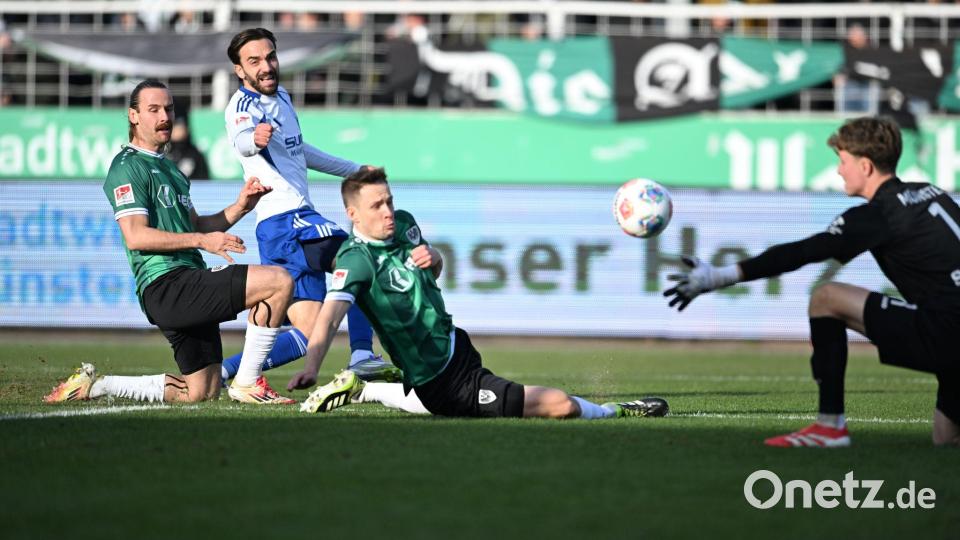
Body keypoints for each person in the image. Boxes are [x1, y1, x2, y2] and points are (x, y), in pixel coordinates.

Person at [664, 116, 960, 448]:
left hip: (948, 331)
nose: (838, 170)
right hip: (951, 330)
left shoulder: (879, 214)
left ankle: (829, 426)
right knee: (946, 442)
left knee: (826, 297)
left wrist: (719, 276)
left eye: (842, 160)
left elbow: (803, 252)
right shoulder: (932, 193)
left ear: (865, 166)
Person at [286, 167, 669, 420]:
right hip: (444, 381)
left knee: (426, 397)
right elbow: (330, 317)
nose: (388, 211)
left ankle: (366, 389)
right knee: (560, 405)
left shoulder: (404, 225)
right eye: (376, 205)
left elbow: (433, 274)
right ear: (353, 215)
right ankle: (615, 411)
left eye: (389, 200)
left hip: (456, 343)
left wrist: (435, 258)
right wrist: (311, 367)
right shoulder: (355, 261)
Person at [44, 80, 296, 406]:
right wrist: (202, 241)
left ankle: (97, 386)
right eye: (153, 110)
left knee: (200, 392)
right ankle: (248, 383)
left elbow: (196, 224)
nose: (164, 116)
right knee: (279, 282)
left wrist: (240, 207)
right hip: (167, 283)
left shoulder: (170, 169)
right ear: (133, 116)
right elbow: (136, 235)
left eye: (169, 109)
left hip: (186, 280)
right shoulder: (128, 167)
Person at [221, 28, 398, 384]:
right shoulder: (242, 107)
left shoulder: (282, 96)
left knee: (310, 335)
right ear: (240, 70)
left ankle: (223, 371)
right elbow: (242, 141)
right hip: (287, 220)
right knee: (360, 258)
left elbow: (299, 150)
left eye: (270, 57)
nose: (266, 66)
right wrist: (253, 141)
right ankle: (362, 353)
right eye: (254, 61)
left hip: (280, 230)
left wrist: (354, 170)